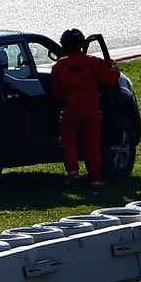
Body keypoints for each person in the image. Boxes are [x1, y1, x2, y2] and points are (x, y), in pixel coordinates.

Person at [51, 28, 121, 189]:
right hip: (92, 107)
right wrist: (115, 69)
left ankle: (73, 172)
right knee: (92, 143)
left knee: (68, 141)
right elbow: (109, 81)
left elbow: (57, 92)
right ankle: (95, 178)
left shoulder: (59, 66)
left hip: (71, 107)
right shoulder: (94, 62)